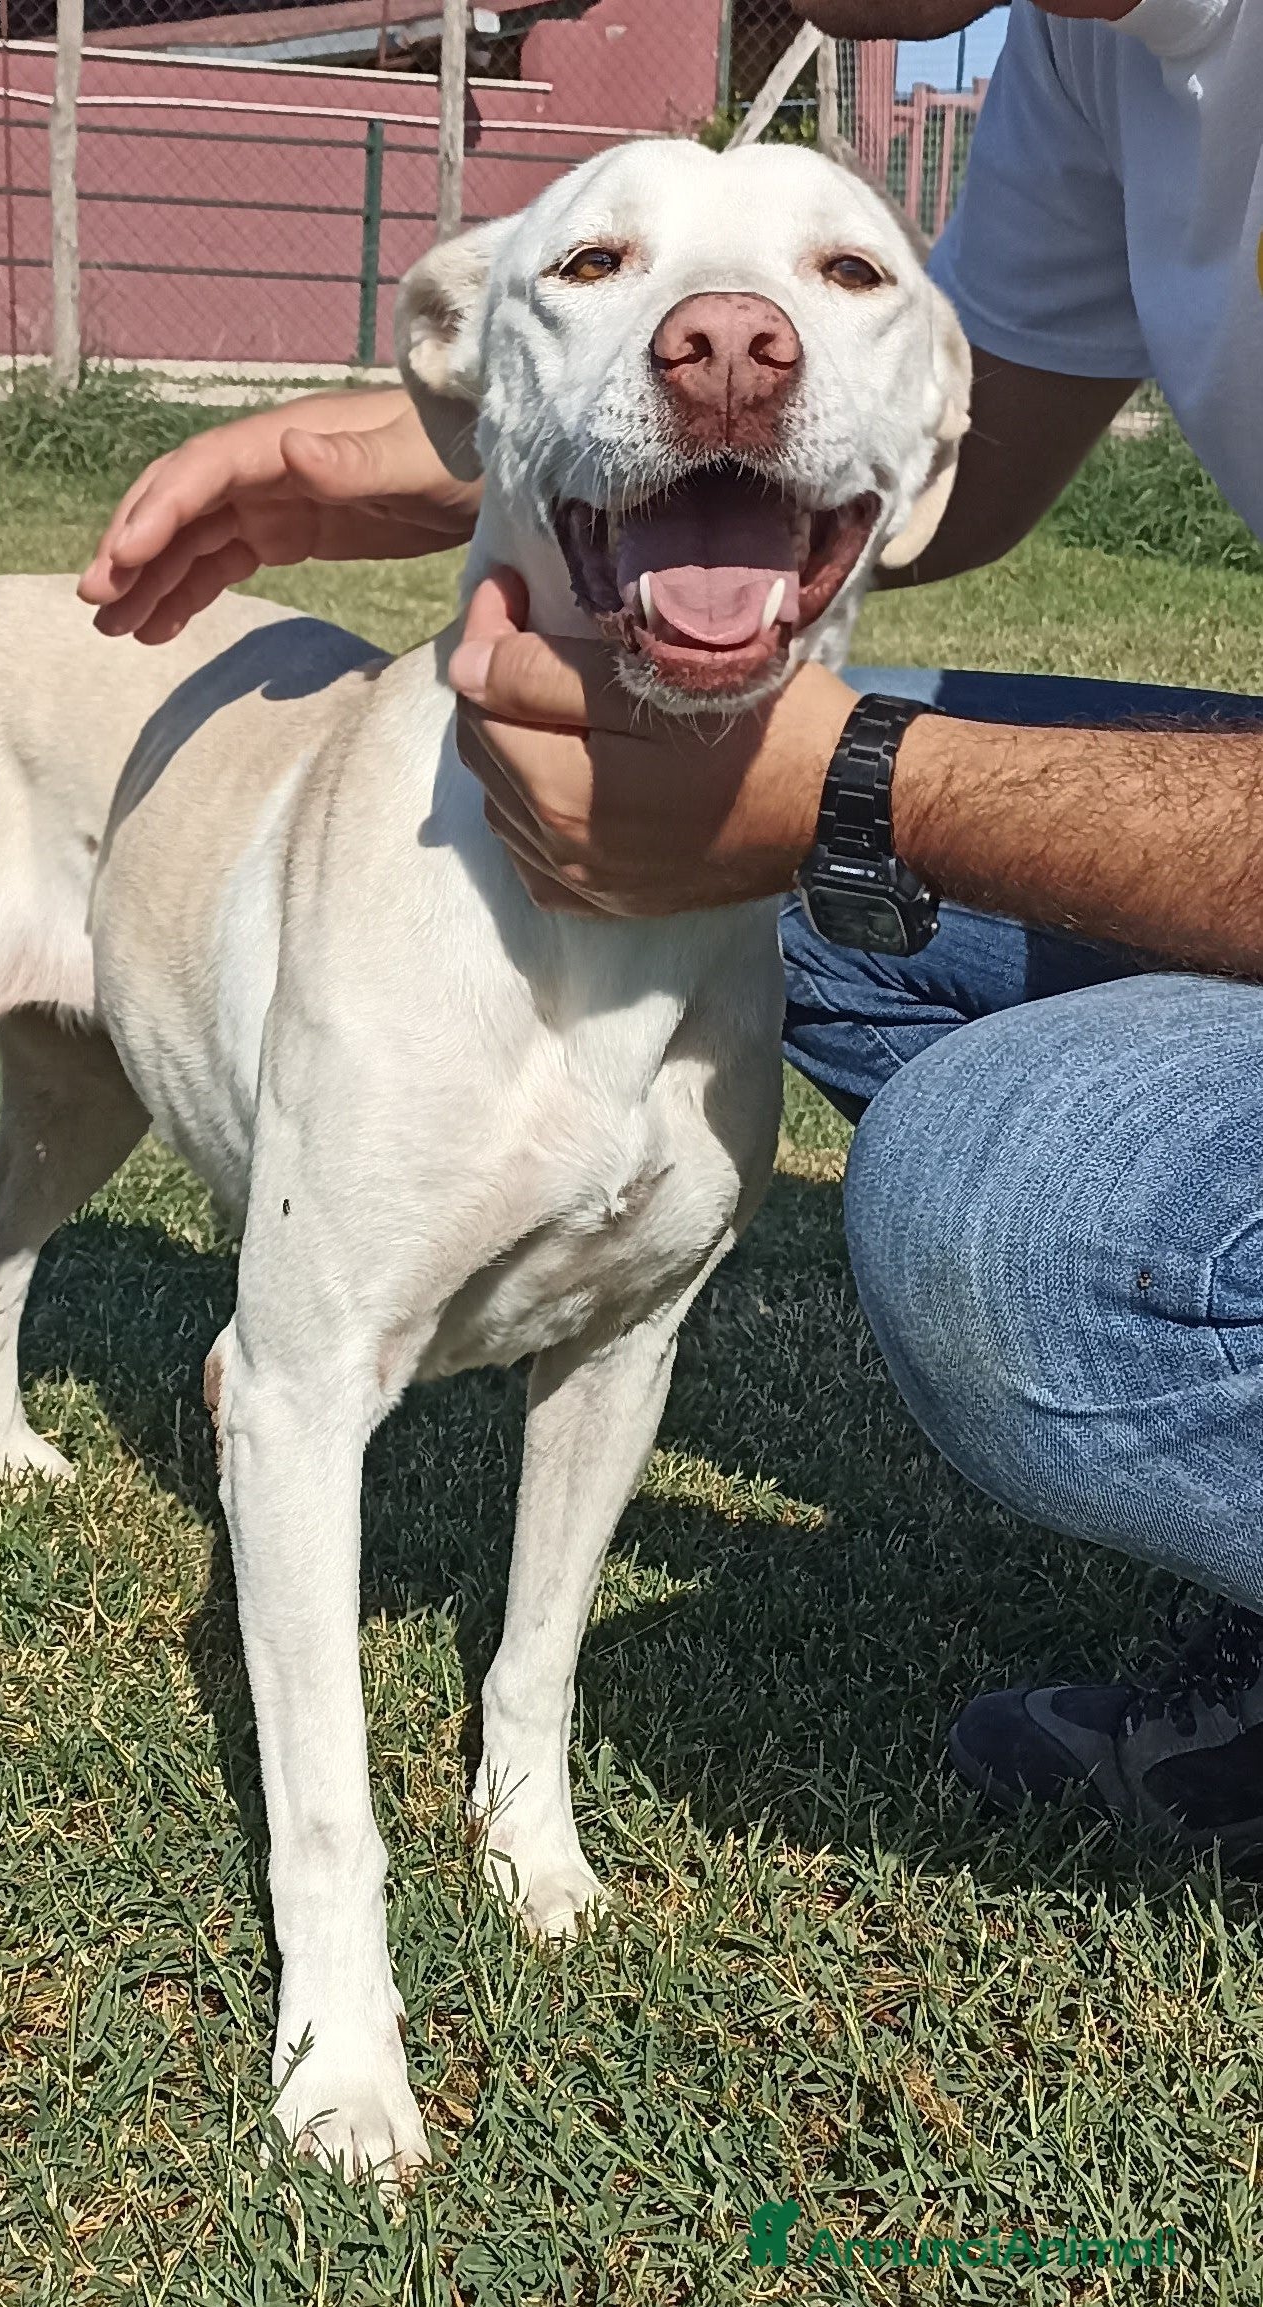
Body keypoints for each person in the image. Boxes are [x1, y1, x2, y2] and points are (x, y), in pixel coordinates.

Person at [78, 0, 1263, 1853]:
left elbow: (903, 455)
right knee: (699, 776)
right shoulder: (1087, 53)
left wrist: (860, 785)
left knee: (1001, 1207)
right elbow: (940, 454)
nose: (731, 334)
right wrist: (376, 448)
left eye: (834, 274)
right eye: (621, 267)